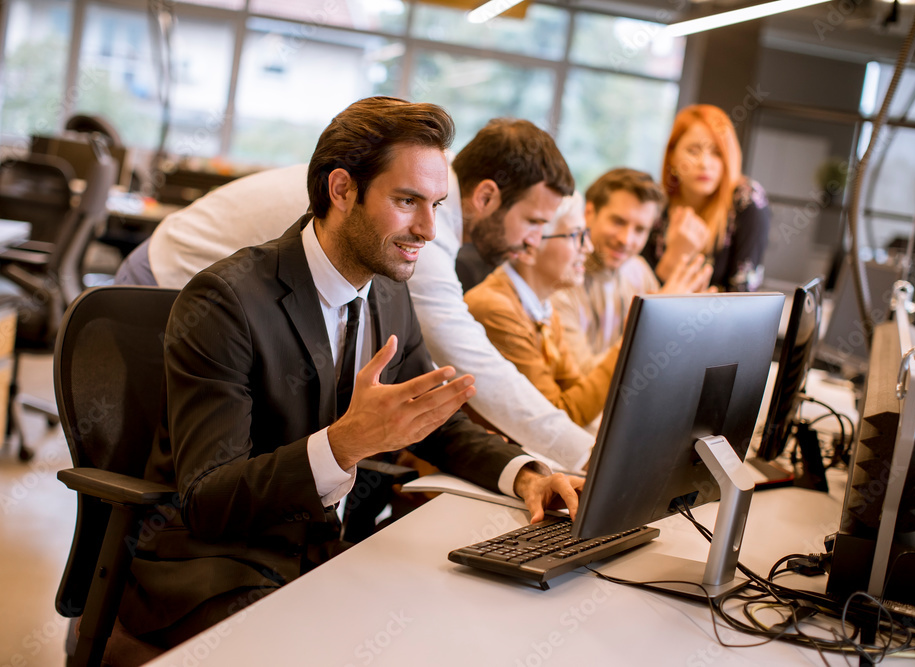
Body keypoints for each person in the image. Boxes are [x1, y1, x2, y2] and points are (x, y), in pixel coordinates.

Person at [119, 97, 582, 648]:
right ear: (341, 190)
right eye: (408, 201)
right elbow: (208, 501)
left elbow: (437, 420)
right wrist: (344, 444)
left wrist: (527, 473)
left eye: (435, 204)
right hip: (215, 566)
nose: (430, 229)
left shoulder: (388, 291)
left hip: (320, 553)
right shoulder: (224, 302)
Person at [116, 118, 596, 470]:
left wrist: (526, 472)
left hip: (237, 292)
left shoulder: (410, 218)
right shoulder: (405, 230)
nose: (535, 240)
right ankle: (112, 598)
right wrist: (584, 456)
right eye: (534, 221)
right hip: (168, 279)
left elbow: (434, 403)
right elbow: (477, 369)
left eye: (434, 206)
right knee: (147, 474)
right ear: (487, 197)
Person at [464, 194, 620, 427]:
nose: (588, 248)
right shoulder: (496, 309)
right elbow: (561, 416)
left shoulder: (543, 308)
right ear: (528, 247)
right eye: (576, 236)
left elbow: (579, 393)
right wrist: (624, 348)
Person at [552, 168, 712, 374]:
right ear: (588, 212)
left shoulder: (639, 270)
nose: (626, 240)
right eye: (618, 221)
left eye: (640, 230)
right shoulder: (558, 281)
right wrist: (658, 321)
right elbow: (581, 380)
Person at [641, 104, 770, 292]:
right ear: (672, 157)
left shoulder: (747, 201)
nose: (704, 163)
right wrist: (673, 256)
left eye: (717, 153)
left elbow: (743, 294)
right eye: (693, 151)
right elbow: (638, 290)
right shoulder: (655, 205)